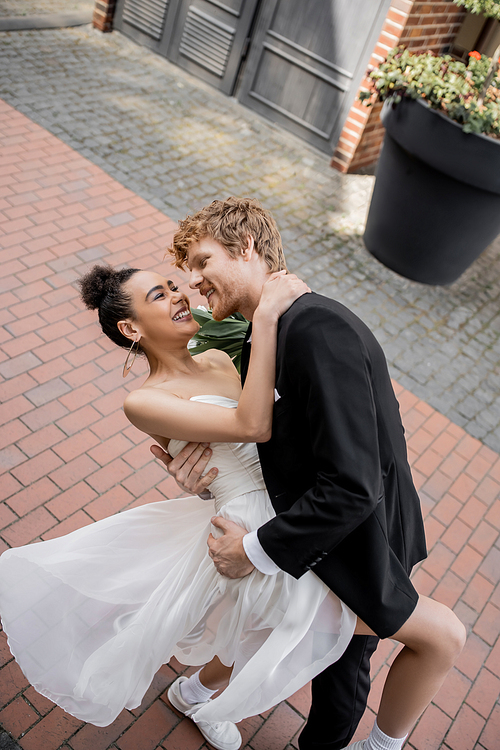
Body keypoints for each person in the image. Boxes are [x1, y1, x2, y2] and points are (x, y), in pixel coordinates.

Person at [0, 263, 363, 750]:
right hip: (244, 516)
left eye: (174, 286)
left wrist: (194, 482)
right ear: (132, 329)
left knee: (272, 620)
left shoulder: (217, 354)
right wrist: (270, 318)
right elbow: (252, 426)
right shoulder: (144, 401)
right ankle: (205, 697)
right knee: (295, 616)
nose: (178, 295)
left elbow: (248, 437)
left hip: (284, 498)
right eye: (159, 294)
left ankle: (195, 692)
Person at [158, 196, 467, 750]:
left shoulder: (315, 327)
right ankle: (207, 698)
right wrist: (205, 478)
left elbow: (354, 482)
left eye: (203, 262)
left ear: (247, 247)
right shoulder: (266, 333)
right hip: (325, 533)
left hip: (360, 538)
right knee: (322, 659)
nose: (195, 282)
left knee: (349, 668)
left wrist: (255, 549)